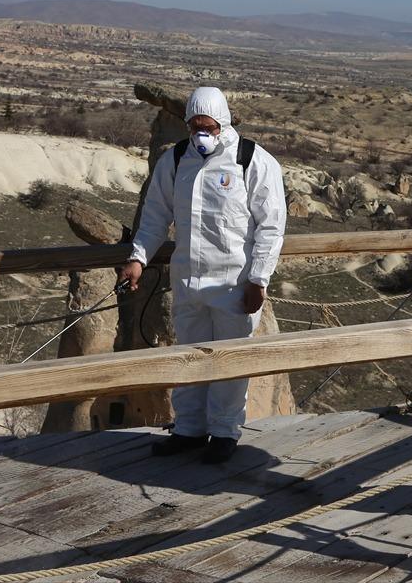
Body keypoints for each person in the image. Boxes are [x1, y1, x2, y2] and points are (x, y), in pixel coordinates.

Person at [118, 86, 286, 464]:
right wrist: (138, 257)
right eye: (194, 126)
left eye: (207, 126)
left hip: (234, 286)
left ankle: (225, 433)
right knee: (189, 358)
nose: (201, 134)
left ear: (223, 122)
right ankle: (189, 429)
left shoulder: (252, 161)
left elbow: (271, 227)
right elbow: (156, 216)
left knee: (228, 363)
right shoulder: (177, 159)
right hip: (188, 281)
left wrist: (258, 280)